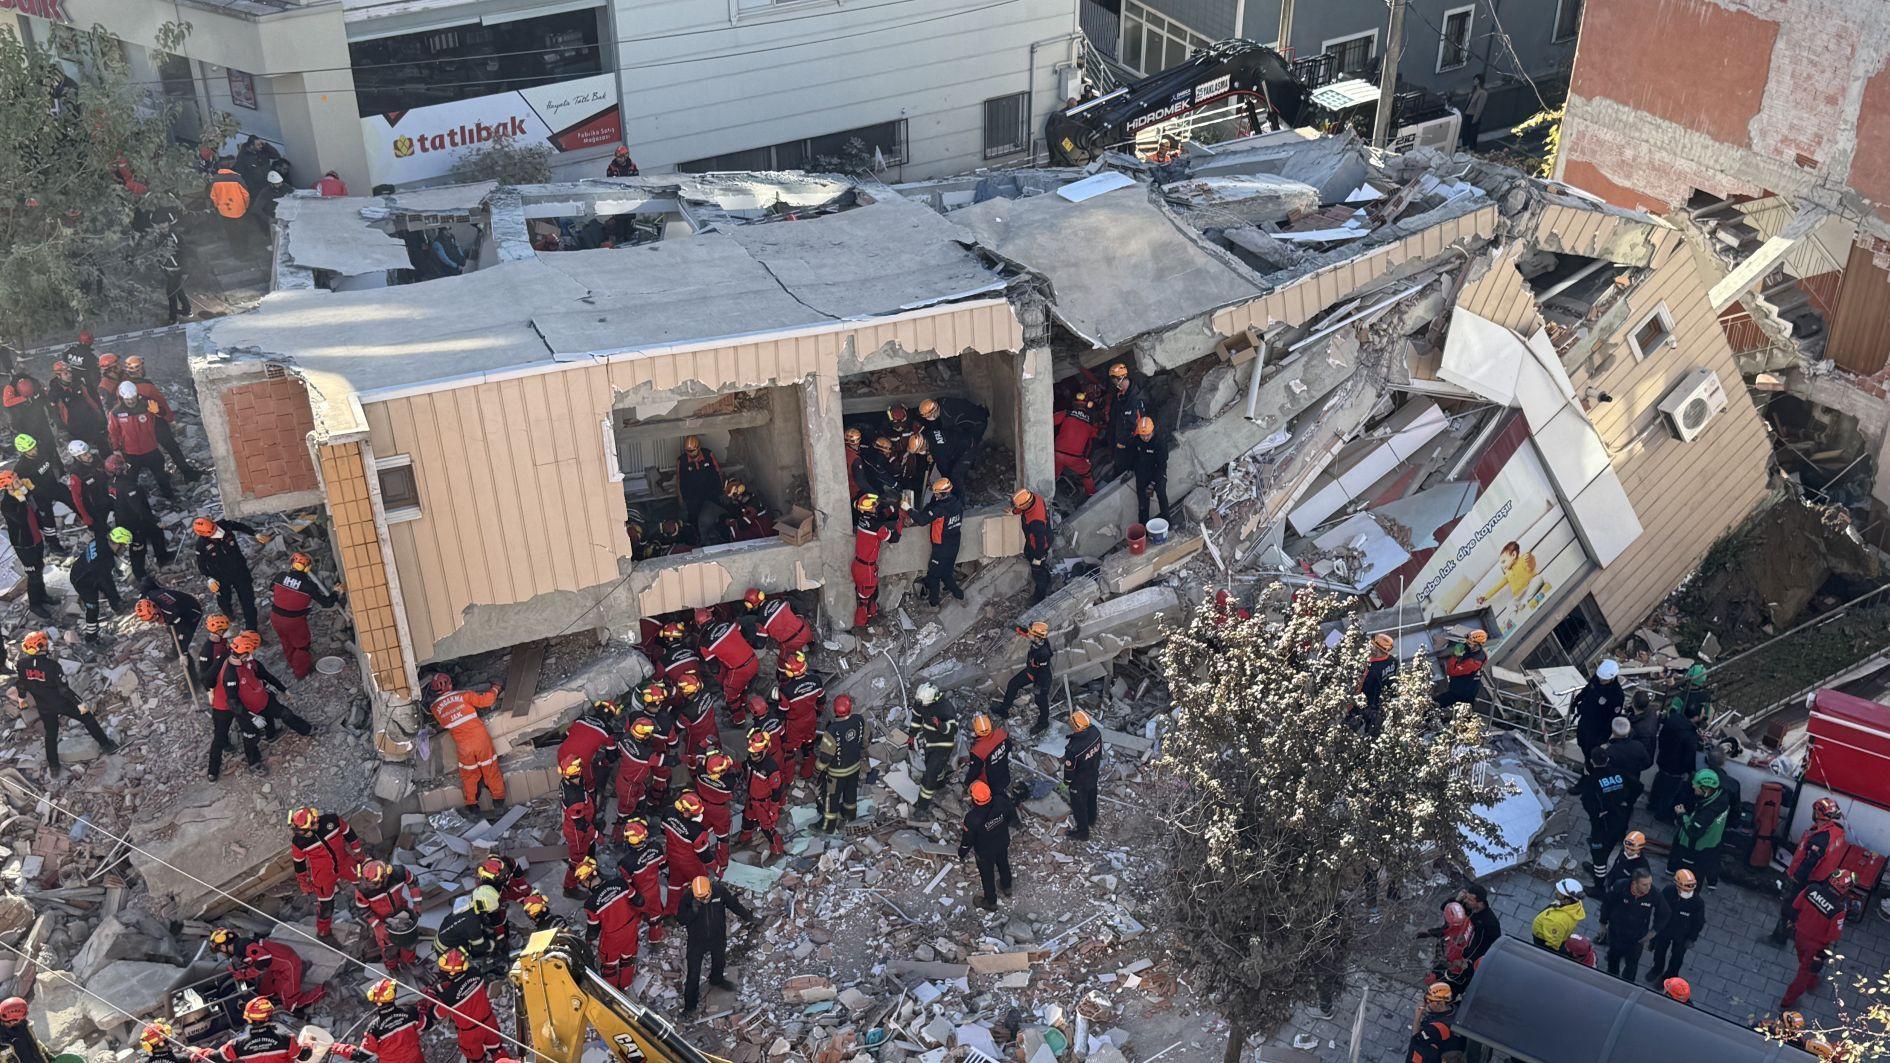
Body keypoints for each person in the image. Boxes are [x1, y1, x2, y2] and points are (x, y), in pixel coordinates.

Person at [14, 631, 117, 774]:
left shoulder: (21, 664)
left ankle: (54, 767)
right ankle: (107, 745)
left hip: (44, 707)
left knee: (50, 734)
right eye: (44, 644)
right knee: (87, 718)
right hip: (62, 703)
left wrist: (21, 699)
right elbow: (64, 690)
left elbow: (21, 683)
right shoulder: (53, 666)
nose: (47, 645)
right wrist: (80, 703)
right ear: (39, 647)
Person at [423, 674, 505, 812]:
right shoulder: (464, 695)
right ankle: (498, 800)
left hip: (463, 746)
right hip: (480, 739)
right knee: (490, 768)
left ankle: (471, 803)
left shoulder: (435, 708)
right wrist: (496, 687)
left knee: (468, 774)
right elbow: (487, 700)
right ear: (450, 684)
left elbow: (444, 722)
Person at [220, 630, 315, 748]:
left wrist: (282, 689)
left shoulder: (248, 663)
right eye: (249, 653)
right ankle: (264, 744)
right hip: (250, 705)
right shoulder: (230, 674)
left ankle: (305, 730)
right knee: (260, 725)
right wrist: (252, 717)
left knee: (283, 713)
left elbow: (264, 675)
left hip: (263, 698)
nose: (251, 656)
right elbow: (232, 700)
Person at [1772, 797, 1848, 944]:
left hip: (1807, 880)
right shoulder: (1837, 831)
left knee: (1790, 907)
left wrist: (1794, 880)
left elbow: (1809, 863)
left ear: (1819, 814)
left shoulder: (1819, 840)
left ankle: (1780, 937)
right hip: (1823, 878)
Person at [678, 875, 757, 1015]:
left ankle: (717, 980)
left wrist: (748, 917)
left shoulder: (719, 891)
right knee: (693, 974)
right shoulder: (688, 897)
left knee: (719, 961)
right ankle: (689, 1007)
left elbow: (734, 905)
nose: (703, 901)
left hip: (717, 936)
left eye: (705, 897)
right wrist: (693, 911)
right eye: (700, 899)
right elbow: (681, 920)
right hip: (697, 941)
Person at [1781, 869, 1855, 1009]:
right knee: (1804, 974)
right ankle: (1787, 1001)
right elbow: (1833, 936)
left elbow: (1796, 906)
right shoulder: (1838, 910)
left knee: (1804, 963)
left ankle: (1812, 980)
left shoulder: (1811, 889)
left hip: (1799, 936)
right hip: (1815, 946)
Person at [289, 806, 363, 940]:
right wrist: (303, 881)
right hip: (322, 874)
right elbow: (299, 863)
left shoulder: (332, 821)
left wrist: (358, 852)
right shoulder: (298, 841)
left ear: (314, 823)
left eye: (304, 831)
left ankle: (371, 910)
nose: (301, 834)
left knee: (363, 880)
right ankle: (323, 932)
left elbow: (348, 833)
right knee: (325, 906)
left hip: (345, 862)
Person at [122, 356, 201, 480]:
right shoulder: (147, 387)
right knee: (172, 448)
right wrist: (170, 419)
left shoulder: (122, 388)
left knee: (150, 454)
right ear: (138, 369)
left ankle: (158, 480)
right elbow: (161, 404)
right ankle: (188, 473)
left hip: (136, 426)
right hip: (156, 423)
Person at [212, 929, 326, 1011]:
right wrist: (238, 970)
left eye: (220, 950)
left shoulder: (244, 946)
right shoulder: (240, 947)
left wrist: (244, 974)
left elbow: (264, 960)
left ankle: (324, 989)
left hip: (288, 965)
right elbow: (253, 961)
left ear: (223, 946)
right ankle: (300, 971)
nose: (222, 953)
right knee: (264, 992)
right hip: (276, 967)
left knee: (291, 1005)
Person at [268, 552, 341, 679]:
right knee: (302, 646)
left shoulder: (280, 576)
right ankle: (301, 673)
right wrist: (336, 592)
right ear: (307, 568)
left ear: (292, 564)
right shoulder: (309, 586)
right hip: (294, 621)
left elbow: (271, 588)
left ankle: (292, 663)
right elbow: (327, 603)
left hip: (275, 617)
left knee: (286, 640)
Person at [574, 857, 641, 989]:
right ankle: (625, 986)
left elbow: (593, 932)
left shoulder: (591, 904)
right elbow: (639, 901)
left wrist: (587, 941)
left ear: (586, 881)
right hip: (630, 928)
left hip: (612, 938)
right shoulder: (620, 883)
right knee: (627, 960)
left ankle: (613, 993)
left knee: (609, 967)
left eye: (582, 884)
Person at [427, 949, 502, 1063]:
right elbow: (461, 983)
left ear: (451, 973)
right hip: (489, 1022)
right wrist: (441, 988)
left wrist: (431, 995)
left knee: (476, 1059)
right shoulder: (475, 973)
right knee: (497, 1050)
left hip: (470, 1033)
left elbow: (435, 1013)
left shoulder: (449, 997)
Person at [193, 516, 268, 630]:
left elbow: (239, 526)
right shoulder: (201, 545)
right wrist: (210, 578)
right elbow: (201, 565)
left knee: (248, 602)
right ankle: (229, 614)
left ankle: (251, 629)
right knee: (224, 599)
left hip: (240, 571)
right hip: (220, 577)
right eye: (212, 532)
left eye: (215, 527)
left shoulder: (224, 525)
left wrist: (255, 533)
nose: (217, 531)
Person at [0, 471, 57, 619]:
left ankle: (43, 595)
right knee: (33, 575)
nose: (19, 482)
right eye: (15, 481)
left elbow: (36, 502)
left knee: (40, 567)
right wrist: (20, 499)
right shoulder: (7, 504)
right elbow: (20, 518)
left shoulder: (21, 494)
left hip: (35, 537)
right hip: (24, 544)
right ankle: (35, 604)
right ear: (8, 487)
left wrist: (27, 491)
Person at [109, 380, 178, 499]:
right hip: (131, 453)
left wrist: (159, 411)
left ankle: (170, 498)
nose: (131, 401)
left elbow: (166, 416)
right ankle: (137, 503)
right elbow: (113, 432)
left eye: (133, 398)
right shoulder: (116, 412)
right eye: (128, 399)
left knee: (161, 476)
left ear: (137, 395)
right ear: (122, 397)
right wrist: (116, 448)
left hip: (151, 449)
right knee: (130, 481)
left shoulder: (148, 406)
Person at [110, 453, 172, 582]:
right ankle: (140, 574)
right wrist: (155, 520)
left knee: (156, 533)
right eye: (123, 465)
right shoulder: (128, 487)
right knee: (138, 547)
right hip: (134, 522)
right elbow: (139, 508)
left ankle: (163, 557)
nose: (127, 466)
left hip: (126, 517)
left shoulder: (112, 482)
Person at [353, 861, 422, 971]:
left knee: (409, 942)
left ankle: (409, 961)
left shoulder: (399, 873)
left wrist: (417, 903)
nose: (370, 886)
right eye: (367, 883)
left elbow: (413, 881)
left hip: (402, 912)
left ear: (385, 876)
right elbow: (363, 909)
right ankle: (392, 968)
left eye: (374, 884)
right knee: (388, 949)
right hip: (381, 919)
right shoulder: (363, 890)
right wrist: (377, 925)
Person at [908, 477, 966, 606]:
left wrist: (908, 509)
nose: (935, 495)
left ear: (944, 494)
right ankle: (959, 595)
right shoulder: (957, 502)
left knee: (934, 576)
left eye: (937, 494)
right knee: (946, 574)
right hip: (954, 544)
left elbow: (922, 520)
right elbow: (934, 506)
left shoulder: (940, 509)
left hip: (941, 548)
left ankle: (933, 604)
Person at [1574, 746, 1631, 878]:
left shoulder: (1592, 781)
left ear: (1593, 762)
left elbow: (1587, 801)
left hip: (1603, 823)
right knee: (1608, 846)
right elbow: (1637, 787)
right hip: (1620, 818)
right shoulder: (1619, 773)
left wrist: (1596, 814)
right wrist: (1627, 802)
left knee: (1598, 853)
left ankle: (1599, 882)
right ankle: (1598, 869)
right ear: (1608, 759)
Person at [1670, 768, 1730, 889]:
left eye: (1696, 787)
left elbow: (1693, 832)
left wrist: (1682, 815)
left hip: (1696, 848)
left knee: (1691, 875)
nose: (1693, 788)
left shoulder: (1706, 813)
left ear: (1706, 789)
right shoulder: (1722, 797)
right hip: (1712, 842)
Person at [1601, 869, 1665, 982]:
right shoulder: (1620, 886)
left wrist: (1653, 932)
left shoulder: (1654, 893)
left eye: (1650, 883)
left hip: (1637, 937)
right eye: (1645, 884)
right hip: (1616, 932)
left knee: (1632, 964)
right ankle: (1610, 979)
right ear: (1634, 883)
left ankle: (1627, 984)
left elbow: (1665, 913)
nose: (1649, 887)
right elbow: (1607, 903)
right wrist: (1603, 924)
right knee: (1613, 958)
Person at [959, 780, 1014, 910]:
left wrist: (962, 852)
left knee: (987, 876)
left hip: (985, 852)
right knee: (1003, 863)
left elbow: (968, 839)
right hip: (1002, 841)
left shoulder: (972, 818)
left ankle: (991, 902)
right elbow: (1010, 815)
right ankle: (1007, 886)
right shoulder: (1000, 802)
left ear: (975, 799)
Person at [815, 694, 865, 831]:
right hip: (854, 768)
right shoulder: (859, 720)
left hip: (836, 774)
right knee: (850, 793)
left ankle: (827, 826)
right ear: (851, 708)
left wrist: (817, 769)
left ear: (834, 710)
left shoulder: (831, 731)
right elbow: (866, 741)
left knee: (830, 798)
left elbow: (825, 757)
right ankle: (850, 815)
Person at [996, 621, 1055, 735]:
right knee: (1013, 684)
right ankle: (1004, 710)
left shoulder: (1043, 653)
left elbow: (1043, 672)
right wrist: (1016, 628)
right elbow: (1027, 633)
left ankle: (1043, 722)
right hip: (1031, 672)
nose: (1028, 634)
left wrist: (1039, 687)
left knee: (1040, 701)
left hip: (1041, 679)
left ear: (1037, 637)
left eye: (1031, 633)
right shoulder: (1038, 640)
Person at [1646, 869, 1704, 985]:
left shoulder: (1697, 902)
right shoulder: (1668, 892)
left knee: (1677, 957)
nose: (1686, 893)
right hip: (1665, 930)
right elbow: (1659, 910)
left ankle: (1670, 977)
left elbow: (1699, 922)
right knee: (1659, 951)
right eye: (1684, 889)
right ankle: (1657, 969)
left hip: (1682, 935)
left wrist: (1691, 939)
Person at [662, 794, 717, 915]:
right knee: (701, 885)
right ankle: (705, 910)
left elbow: (663, 831)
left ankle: (671, 912)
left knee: (675, 884)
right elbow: (704, 855)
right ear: (687, 812)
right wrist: (716, 867)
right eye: (696, 813)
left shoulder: (668, 812)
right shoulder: (697, 831)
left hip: (672, 858)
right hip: (691, 864)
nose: (698, 815)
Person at [910, 682, 959, 817]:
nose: (922, 706)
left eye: (925, 704)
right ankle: (940, 783)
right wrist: (912, 734)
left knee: (930, 774)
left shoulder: (945, 708)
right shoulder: (922, 702)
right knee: (935, 767)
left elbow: (953, 730)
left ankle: (922, 806)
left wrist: (940, 725)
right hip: (930, 742)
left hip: (943, 744)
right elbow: (916, 717)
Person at [1650, 702, 1703, 822]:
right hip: (1676, 768)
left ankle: (1652, 805)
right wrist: (1690, 771)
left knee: (1659, 782)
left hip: (1663, 759)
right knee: (1669, 793)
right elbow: (1689, 757)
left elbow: (1662, 737)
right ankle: (1661, 814)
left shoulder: (1673, 720)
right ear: (1695, 717)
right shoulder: (1690, 736)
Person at [775, 652, 824, 780]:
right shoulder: (816, 680)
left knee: (789, 749)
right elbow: (821, 700)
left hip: (794, 723)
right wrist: (818, 712)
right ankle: (807, 772)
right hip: (811, 717)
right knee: (809, 743)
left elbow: (782, 711)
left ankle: (788, 777)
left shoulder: (786, 690)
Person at [69, 531, 125, 642]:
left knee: (106, 588)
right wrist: (114, 596)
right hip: (83, 582)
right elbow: (108, 584)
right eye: (122, 545)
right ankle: (91, 636)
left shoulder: (100, 540)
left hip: (80, 569)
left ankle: (116, 606)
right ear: (116, 543)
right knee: (92, 608)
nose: (123, 549)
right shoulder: (105, 561)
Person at [618, 818, 667, 944]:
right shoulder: (656, 847)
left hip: (637, 894)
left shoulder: (626, 863)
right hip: (654, 891)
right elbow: (662, 865)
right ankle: (655, 940)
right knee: (655, 917)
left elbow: (627, 884)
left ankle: (629, 938)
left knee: (633, 916)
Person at [737, 731, 785, 857]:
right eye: (752, 753)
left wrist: (773, 810)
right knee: (747, 820)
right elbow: (744, 766)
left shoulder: (771, 767)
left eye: (756, 754)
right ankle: (744, 840)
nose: (753, 756)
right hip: (752, 799)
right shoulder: (751, 759)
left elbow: (777, 791)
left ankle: (777, 850)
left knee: (767, 828)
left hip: (764, 803)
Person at [850, 494, 895, 628]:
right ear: (869, 509)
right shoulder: (876, 527)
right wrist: (900, 518)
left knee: (872, 593)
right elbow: (893, 537)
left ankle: (872, 614)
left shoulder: (863, 518)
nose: (876, 506)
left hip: (861, 565)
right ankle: (860, 626)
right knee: (864, 599)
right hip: (866, 569)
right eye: (874, 505)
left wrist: (888, 505)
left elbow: (879, 515)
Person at [361, 978, 431, 1063]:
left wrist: (339, 1047)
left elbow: (361, 1055)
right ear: (393, 996)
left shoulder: (374, 1029)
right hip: (415, 1059)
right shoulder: (410, 1012)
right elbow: (427, 1024)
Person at [48, 361, 108, 454]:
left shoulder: (78, 384)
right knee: (83, 451)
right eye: (66, 373)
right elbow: (56, 414)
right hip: (75, 427)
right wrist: (63, 430)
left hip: (90, 420)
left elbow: (89, 399)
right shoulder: (55, 393)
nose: (69, 375)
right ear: (58, 375)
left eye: (70, 372)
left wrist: (99, 414)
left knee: (103, 444)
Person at [674, 435, 724, 542]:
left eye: (692, 450)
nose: (690, 453)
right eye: (687, 451)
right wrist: (680, 499)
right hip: (693, 496)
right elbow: (679, 480)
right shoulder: (682, 461)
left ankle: (717, 536)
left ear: (698, 448)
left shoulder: (708, 455)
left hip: (710, 493)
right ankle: (700, 540)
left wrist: (722, 490)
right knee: (695, 519)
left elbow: (718, 472)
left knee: (713, 516)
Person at [560, 761, 600, 895]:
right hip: (577, 833)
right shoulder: (574, 797)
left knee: (589, 848)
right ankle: (570, 887)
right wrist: (595, 834)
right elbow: (581, 825)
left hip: (581, 826)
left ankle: (591, 870)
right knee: (576, 860)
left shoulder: (568, 782)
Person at [135, 580, 204, 656]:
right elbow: (146, 581)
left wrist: (182, 649)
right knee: (173, 630)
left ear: (155, 608)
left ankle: (181, 652)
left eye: (154, 618)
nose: (154, 621)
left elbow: (179, 627)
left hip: (191, 610)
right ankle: (178, 650)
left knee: (182, 634)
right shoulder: (147, 596)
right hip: (179, 605)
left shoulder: (171, 612)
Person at [1063, 708, 1102, 840]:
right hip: (1093, 774)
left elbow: (1069, 772)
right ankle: (1092, 819)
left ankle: (1083, 833)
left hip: (1079, 783)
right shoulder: (1095, 732)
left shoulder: (1073, 748)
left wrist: (1066, 783)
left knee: (1079, 808)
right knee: (1092, 798)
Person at [693, 752, 736, 874]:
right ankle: (722, 864)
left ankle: (699, 856)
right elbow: (732, 774)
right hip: (719, 811)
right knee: (722, 838)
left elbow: (700, 762)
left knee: (701, 832)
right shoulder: (728, 783)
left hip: (701, 806)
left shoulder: (701, 772)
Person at [704, 619, 760, 709]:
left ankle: (738, 719)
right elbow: (745, 633)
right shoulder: (729, 623)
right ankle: (742, 704)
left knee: (730, 694)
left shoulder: (705, 644)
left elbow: (715, 669)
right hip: (754, 659)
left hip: (740, 670)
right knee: (742, 685)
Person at [1574, 659, 1626, 755]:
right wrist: (1576, 700)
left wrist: (1603, 738)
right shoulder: (1597, 679)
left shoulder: (1616, 695)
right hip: (1585, 721)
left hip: (1597, 729)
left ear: (1612, 678)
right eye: (1600, 678)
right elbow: (1586, 690)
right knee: (1581, 743)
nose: (1601, 681)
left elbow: (1612, 718)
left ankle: (1589, 767)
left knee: (1591, 751)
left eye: (1604, 679)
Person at [615, 715, 661, 821]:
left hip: (630, 780)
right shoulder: (645, 754)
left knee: (640, 795)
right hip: (629, 785)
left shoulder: (626, 738)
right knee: (626, 805)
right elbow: (663, 760)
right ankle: (622, 822)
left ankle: (640, 811)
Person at [1053, 394, 1101, 497]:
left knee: (1053, 475)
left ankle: (1049, 493)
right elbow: (1093, 441)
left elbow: (1049, 422)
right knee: (1086, 473)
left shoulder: (1067, 414)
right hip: (1075, 458)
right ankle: (1091, 494)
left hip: (1057, 453)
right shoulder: (1091, 422)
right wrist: (1087, 458)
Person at [742, 588, 811, 656]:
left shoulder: (761, 621)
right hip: (806, 631)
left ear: (749, 604)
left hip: (792, 643)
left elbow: (759, 644)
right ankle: (812, 643)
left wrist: (748, 642)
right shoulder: (779, 601)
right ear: (761, 595)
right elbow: (795, 605)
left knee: (784, 660)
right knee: (798, 619)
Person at [2, 375, 56, 463]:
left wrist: (51, 414)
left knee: (50, 444)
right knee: (35, 447)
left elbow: (45, 396)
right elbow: (7, 403)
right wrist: (23, 399)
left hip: (40, 419)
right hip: (23, 423)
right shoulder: (9, 388)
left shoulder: (36, 383)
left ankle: (57, 465)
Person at [1104, 362, 1147, 474]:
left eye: (1114, 380)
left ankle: (1123, 473)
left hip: (1130, 439)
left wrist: (1122, 442)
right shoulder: (1124, 393)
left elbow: (1133, 424)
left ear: (1119, 378)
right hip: (1121, 432)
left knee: (1124, 459)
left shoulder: (1134, 400)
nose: (1113, 383)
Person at [1405, 983, 1464, 1063]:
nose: (1426, 1003)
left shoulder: (1435, 1028)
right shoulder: (1456, 1011)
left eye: (1429, 1001)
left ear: (1441, 1003)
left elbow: (1416, 1038)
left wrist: (1417, 1016)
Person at [1014, 489, 1054, 604]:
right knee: (1028, 551)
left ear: (1026, 505)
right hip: (1034, 539)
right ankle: (1044, 571)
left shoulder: (1036, 521)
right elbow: (1021, 508)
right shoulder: (1036, 497)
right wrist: (1014, 511)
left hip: (1040, 545)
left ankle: (1039, 596)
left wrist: (1037, 558)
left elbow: (1040, 542)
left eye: (1020, 507)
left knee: (1037, 571)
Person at [964, 711, 1014, 802]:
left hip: (991, 783)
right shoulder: (1000, 733)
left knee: (996, 799)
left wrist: (967, 783)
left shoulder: (977, 751)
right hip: (1004, 774)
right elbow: (1009, 746)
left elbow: (974, 770)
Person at [1128, 416, 1169, 526]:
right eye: (1143, 435)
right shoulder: (1137, 442)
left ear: (1152, 432)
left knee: (1161, 496)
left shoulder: (1159, 442)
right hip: (1143, 475)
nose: (1145, 438)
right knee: (1143, 503)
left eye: (1148, 435)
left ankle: (1167, 522)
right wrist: (1130, 470)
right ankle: (1143, 529)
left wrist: (1153, 482)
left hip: (1157, 473)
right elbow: (1132, 457)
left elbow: (1161, 463)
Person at [1353, 633, 1397, 734]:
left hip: (1366, 705)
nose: (1369, 646)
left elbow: (1360, 688)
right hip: (1381, 704)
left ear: (1377, 649)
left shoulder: (1371, 667)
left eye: (1372, 645)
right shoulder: (1393, 661)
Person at [1435, 630, 1488, 708]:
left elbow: (1451, 671)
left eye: (1469, 643)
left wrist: (1455, 656)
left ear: (1478, 645)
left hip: (1461, 693)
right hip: (1466, 688)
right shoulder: (1479, 653)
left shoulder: (1473, 663)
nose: (1467, 644)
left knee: (1435, 704)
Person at [1531, 879, 1586, 950]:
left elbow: (1553, 944)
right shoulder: (1575, 903)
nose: (1556, 892)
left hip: (1541, 939)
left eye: (1560, 893)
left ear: (1567, 900)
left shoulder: (1557, 921)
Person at [1598, 830, 1650, 903]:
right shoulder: (1623, 851)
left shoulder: (1642, 866)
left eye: (1632, 850)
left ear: (1639, 849)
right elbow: (1616, 865)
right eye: (1627, 848)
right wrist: (1609, 877)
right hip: (1613, 882)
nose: (1628, 852)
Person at [0, 997, 50, 1063]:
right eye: (5, 1021)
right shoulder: (2, 1038)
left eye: (10, 1021)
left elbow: (35, 1043)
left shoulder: (25, 1027)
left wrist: (46, 1053)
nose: (8, 1023)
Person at [197, 613, 234, 691]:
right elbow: (205, 674)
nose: (228, 631)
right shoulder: (208, 651)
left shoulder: (222, 640)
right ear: (220, 631)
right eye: (226, 630)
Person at [1460, 75, 1488, 149]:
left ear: (1480, 81)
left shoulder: (1482, 93)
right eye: (1474, 80)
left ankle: (1472, 148)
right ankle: (1464, 146)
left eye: (1476, 80)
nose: (1474, 81)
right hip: (1467, 114)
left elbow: (1479, 107)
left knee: (1472, 133)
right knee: (1465, 132)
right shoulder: (1473, 91)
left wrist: (1475, 119)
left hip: (1473, 116)